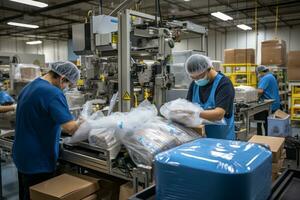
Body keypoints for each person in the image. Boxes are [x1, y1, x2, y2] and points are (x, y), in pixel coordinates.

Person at [12, 61, 82, 200]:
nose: (65, 88)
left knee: (27, 194)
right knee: (39, 195)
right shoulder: (53, 93)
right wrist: (85, 123)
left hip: (22, 154)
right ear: (62, 78)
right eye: (67, 84)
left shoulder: (29, 86)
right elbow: (70, 128)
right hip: (38, 159)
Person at [185, 54, 235, 140]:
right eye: (193, 78)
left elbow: (219, 114)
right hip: (199, 138)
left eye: (199, 76)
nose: (197, 80)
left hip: (220, 141)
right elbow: (187, 105)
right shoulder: (195, 84)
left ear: (209, 69)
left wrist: (194, 113)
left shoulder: (224, 84)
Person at [254, 65, 280, 135]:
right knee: (269, 125)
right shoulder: (271, 76)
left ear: (260, 72)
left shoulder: (266, 78)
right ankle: (267, 138)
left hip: (269, 105)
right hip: (275, 103)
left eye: (258, 73)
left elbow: (260, 91)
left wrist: (252, 93)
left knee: (265, 124)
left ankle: (264, 139)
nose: (258, 75)